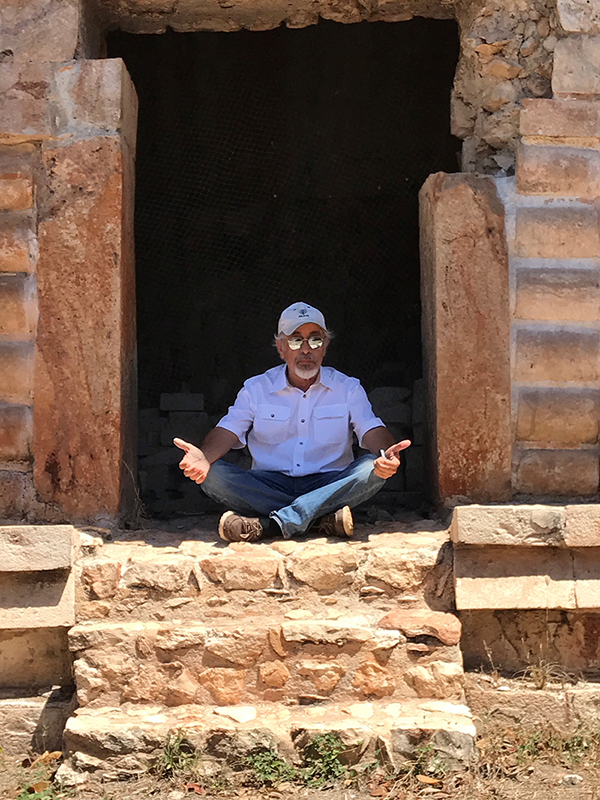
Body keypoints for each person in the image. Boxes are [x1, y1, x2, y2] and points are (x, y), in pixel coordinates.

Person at [174, 302, 410, 542]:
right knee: (213, 474)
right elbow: (229, 430)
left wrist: (385, 455)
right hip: (269, 485)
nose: (306, 349)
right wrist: (203, 458)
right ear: (281, 348)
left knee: (371, 468)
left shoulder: (348, 387)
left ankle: (272, 525)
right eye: (296, 340)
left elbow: (369, 428)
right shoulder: (256, 388)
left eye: (315, 340)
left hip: (329, 482)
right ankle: (319, 518)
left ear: (325, 347)